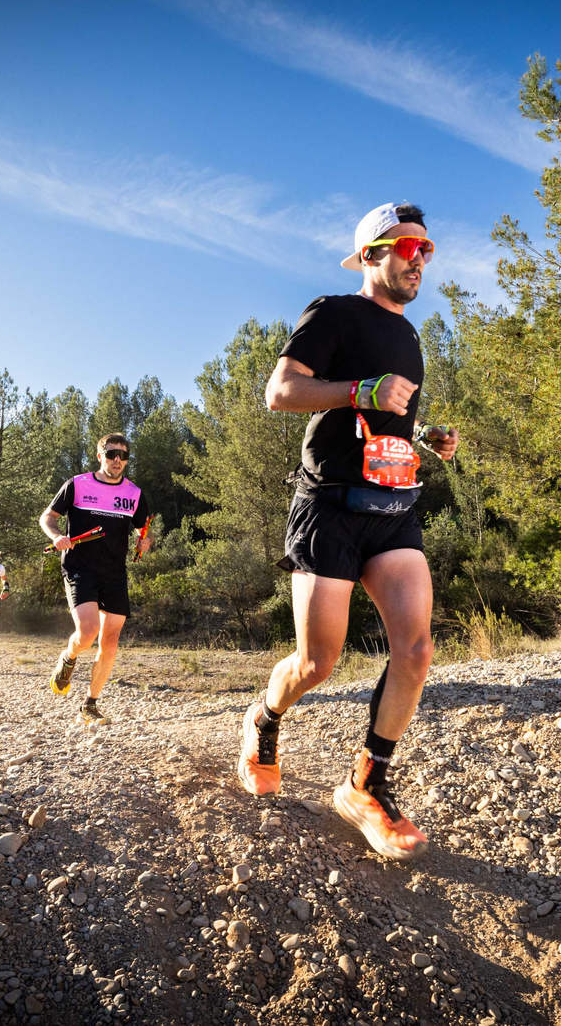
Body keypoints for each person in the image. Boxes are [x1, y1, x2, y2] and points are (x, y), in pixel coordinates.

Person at [238, 201, 459, 861]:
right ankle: (264, 719)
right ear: (371, 255)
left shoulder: (410, 338)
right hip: (330, 504)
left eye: (427, 249)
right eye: (409, 247)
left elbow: (390, 413)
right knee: (317, 663)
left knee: (415, 650)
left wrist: (424, 434)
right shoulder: (332, 312)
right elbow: (281, 391)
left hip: (392, 507)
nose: (421, 259)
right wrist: (363, 390)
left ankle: (365, 784)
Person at [39, 433, 152, 726]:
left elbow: (143, 528)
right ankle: (69, 656)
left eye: (123, 456)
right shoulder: (77, 484)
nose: (117, 460)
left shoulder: (134, 493)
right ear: (100, 456)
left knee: (110, 641)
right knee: (88, 632)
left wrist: (145, 541)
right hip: (80, 567)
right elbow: (47, 518)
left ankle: (90, 704)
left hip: (114, 573)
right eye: (112, 454)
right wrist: (57, 536)